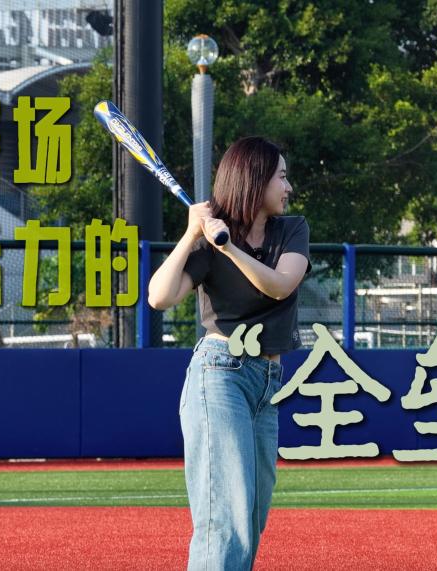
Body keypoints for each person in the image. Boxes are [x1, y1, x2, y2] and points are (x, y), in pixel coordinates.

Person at [147, 136, 311, 570]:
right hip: (220, 373)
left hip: (268, 384)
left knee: (251, 514)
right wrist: (190, 235)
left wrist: (229, 248)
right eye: (280, 177)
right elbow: (159, 297)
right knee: (226, 514)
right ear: (255, 180)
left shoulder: (291, 230)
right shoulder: (207, 242)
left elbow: (279, 286)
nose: (288, 186)